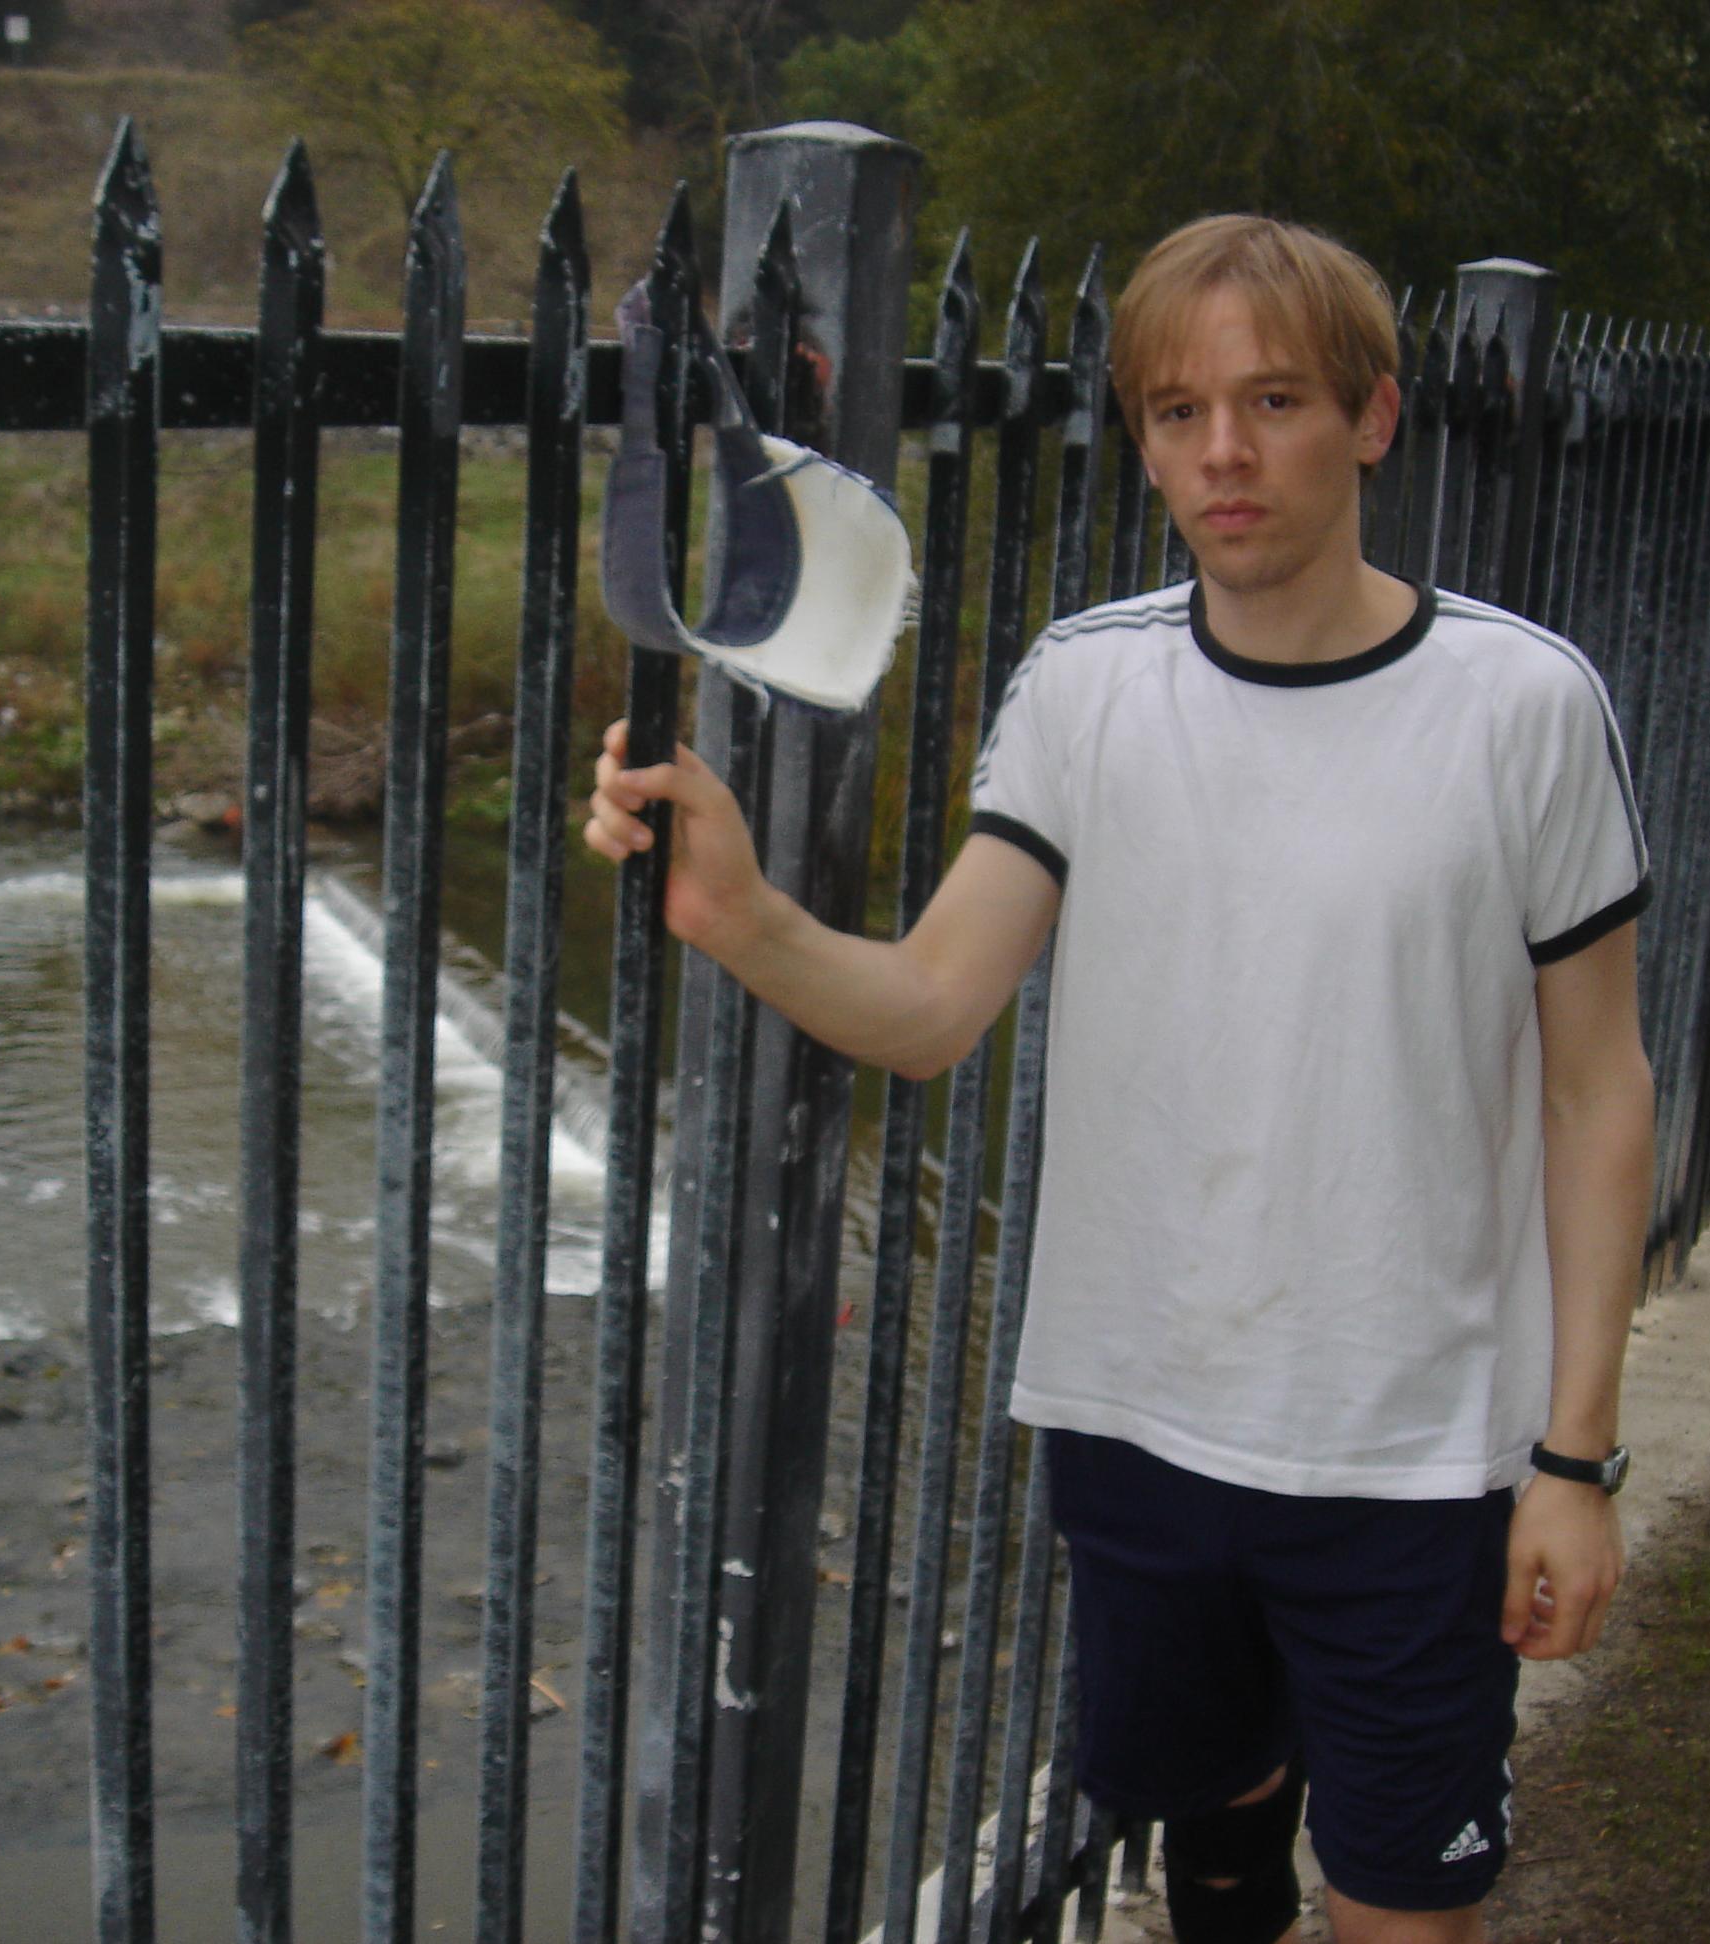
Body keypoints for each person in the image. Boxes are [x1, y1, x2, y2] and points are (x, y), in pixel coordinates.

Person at [581, 214, 1654, 1944]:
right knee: (1210, 1831)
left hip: (1418, 1452)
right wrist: (743, 914)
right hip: (1145, 1421)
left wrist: (1575, 1461)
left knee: (1403, 1903)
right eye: (1176, 412)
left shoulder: (1521, 705)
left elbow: (1600, 1091)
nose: (1222, 454)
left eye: (1275, 400)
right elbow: (935, 1003)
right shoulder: (1086, 687)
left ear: (1372, 418)